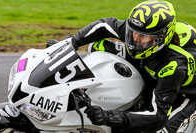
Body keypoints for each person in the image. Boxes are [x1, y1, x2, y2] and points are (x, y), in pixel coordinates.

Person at [70, 0, 196, 132]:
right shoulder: (141, 30)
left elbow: (157, 118)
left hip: (186, 93)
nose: (135, 40)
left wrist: (108, 117)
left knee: (159, 130)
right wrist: (70, 44)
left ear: (162, 38)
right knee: (96, 47)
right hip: (152, 61)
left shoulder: (175, 65)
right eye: (133, 33)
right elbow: (103, 25)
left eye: (143, 38)